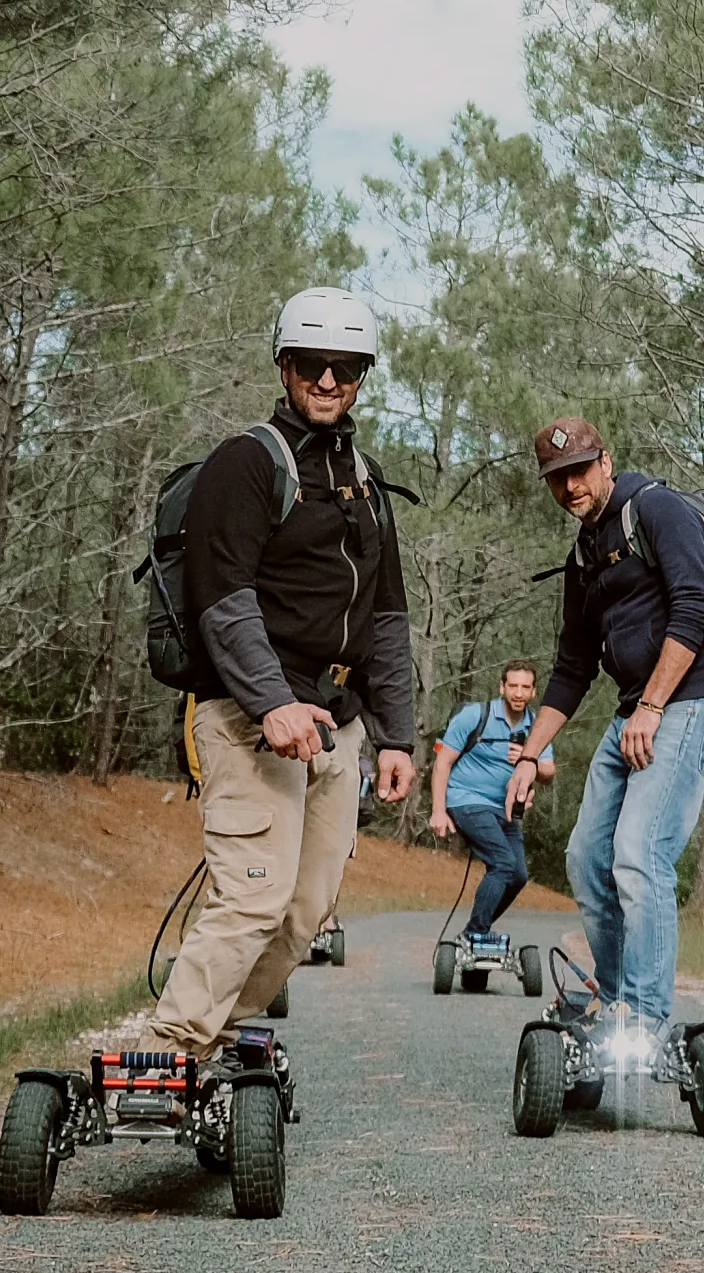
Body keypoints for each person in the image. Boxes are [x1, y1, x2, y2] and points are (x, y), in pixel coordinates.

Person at [130, 286, 419, 1059]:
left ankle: (211, 1045)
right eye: (311, 364)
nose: (328, 381)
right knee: (252, 898)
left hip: (338, 725)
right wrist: (272, 703)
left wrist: (397, 737)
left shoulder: (365, 477)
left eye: (345, 366)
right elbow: (223, 599)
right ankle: (168, 1047)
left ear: (362, 374)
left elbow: (386, 618)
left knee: (304, 913)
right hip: (249, 720)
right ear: (284, 364)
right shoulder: (247, 463)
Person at [501, 417, 704, 1073]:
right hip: (637, 707)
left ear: (606, 461)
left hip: (692, 697)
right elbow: (571, 669)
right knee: (585, 856)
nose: (571, 485)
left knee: (639, 852)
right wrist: (527, 755)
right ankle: (617, 999)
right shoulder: (584, 556)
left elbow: (695, 608)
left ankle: (645, 1016)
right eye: (558, 477)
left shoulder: (658, 509)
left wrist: (655, 705)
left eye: (580, 469)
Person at [429, 662, 541, 947]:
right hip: (466, 800)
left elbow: (549, 770)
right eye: (512, 686)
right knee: (503, 863)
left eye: (525, 687)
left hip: (506, 811)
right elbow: (443, 762)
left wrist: (531, 760)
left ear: (533, 692)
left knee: (518, 875)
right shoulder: (474, 716)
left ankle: (475, 933)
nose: (518, 692)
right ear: (501, 687)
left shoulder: (535, 725)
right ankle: (477, 934)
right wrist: (439, 811)